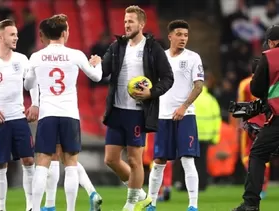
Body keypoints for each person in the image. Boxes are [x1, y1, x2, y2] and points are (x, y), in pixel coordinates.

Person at [24, 14, 103, 211]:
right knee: (71, 164)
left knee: (42, 163)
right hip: (69, 114)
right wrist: (97, 62)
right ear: (64, 33)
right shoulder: (75, 54)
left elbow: (27, 84)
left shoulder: (36, 56)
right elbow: (96, 77)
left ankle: (34, 207)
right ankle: (70, 209)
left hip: (47, 114)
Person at [101, 5, 174, 211]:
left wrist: (151, 93)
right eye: (125, 21)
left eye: (131, 21)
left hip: (137, 112)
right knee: (111, 159)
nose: (126, 25)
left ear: (142, 24)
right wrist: (96, 63)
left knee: (134, 160)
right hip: (116, 110)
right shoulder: (117, 46)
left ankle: (132, 203)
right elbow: (103, 70)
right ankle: (141, 193)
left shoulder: (153, 48)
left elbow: (168, 78)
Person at [147, 20, 204, 211]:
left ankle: (193, 205)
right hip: (163, 116)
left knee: (187, 160)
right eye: (179, 34)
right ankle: (151, 203)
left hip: (185, 115)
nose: (183, 38)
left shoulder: (193, 58)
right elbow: (151, 85)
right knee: (159, 161)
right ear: (170, 36)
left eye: (186, 35)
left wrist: (184, 106)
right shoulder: (159, 58)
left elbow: (199, 86)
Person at [0, 19, 36, 211]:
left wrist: (35, 104)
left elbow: (33, 83)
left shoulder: (22, 59)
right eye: (12, 34)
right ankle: (1, 208)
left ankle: (31, 206)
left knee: (29, 160)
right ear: (0, 36)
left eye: (16, 34)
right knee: (0, 165)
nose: (16, 37)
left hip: (18, 118)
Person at [232, 25, 279, 211]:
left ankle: (251, 203)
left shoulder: (270, 56)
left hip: (277, 118)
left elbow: (257, 89)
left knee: (258, 154)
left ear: (271, 42)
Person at [234, 75, 269, 200]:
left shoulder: (245, 83)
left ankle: (254, 183)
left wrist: (239, 125)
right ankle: (263, 186)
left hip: (249, 125)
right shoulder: (271, 81)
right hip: (268, 123)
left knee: (246, 155)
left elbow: (241, 104)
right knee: (265, 155)